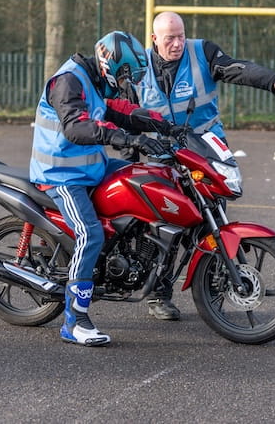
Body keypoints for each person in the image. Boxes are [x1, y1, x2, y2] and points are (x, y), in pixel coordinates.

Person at [120, 11, 275, 322]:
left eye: (181, 36)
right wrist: (128, 159)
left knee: (211, 217)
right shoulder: (137, 68)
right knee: (162, 225)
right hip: (160, 154)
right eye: (170, 39)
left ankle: (215, 288)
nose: (178, 43)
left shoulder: (202, 52)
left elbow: (237, 69)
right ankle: (157, 293)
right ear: (154, 40)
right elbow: (126, 114)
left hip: (203, 148)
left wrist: (274, 81)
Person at [29, 30, 177, 347]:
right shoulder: (68, 80)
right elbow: (77, 127)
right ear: (108, 62)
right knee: (90, 233)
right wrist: (127, 140)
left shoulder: (94, 80)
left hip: (90, 167)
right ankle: (74, 321)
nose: (126, 82)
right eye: (124, 74)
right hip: (61, 173)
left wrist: (163, 125)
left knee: (146, 180)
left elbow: (119, 110)